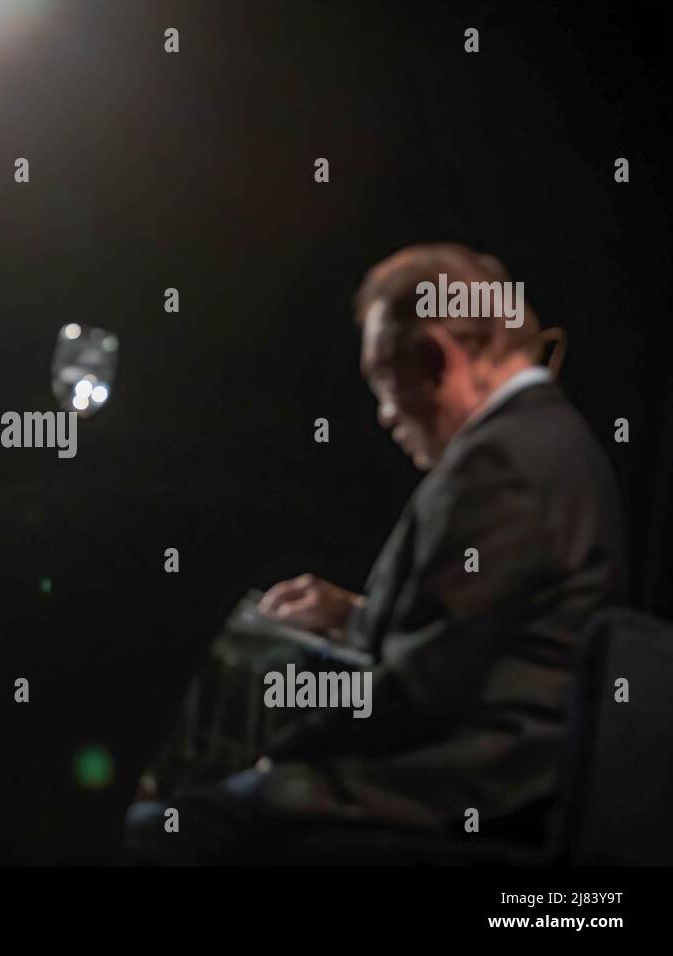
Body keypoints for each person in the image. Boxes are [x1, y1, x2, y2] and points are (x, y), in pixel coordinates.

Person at [127, 243, 628, 864]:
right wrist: (351, 614)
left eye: (383, 381)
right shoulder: (549, 439)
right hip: (486, 777)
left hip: (449, 789)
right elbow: (469, 639)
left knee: (153, 832)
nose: (386, 415)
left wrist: (276, 745)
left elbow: (417, 694)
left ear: (435, 358)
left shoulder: (500, 464)